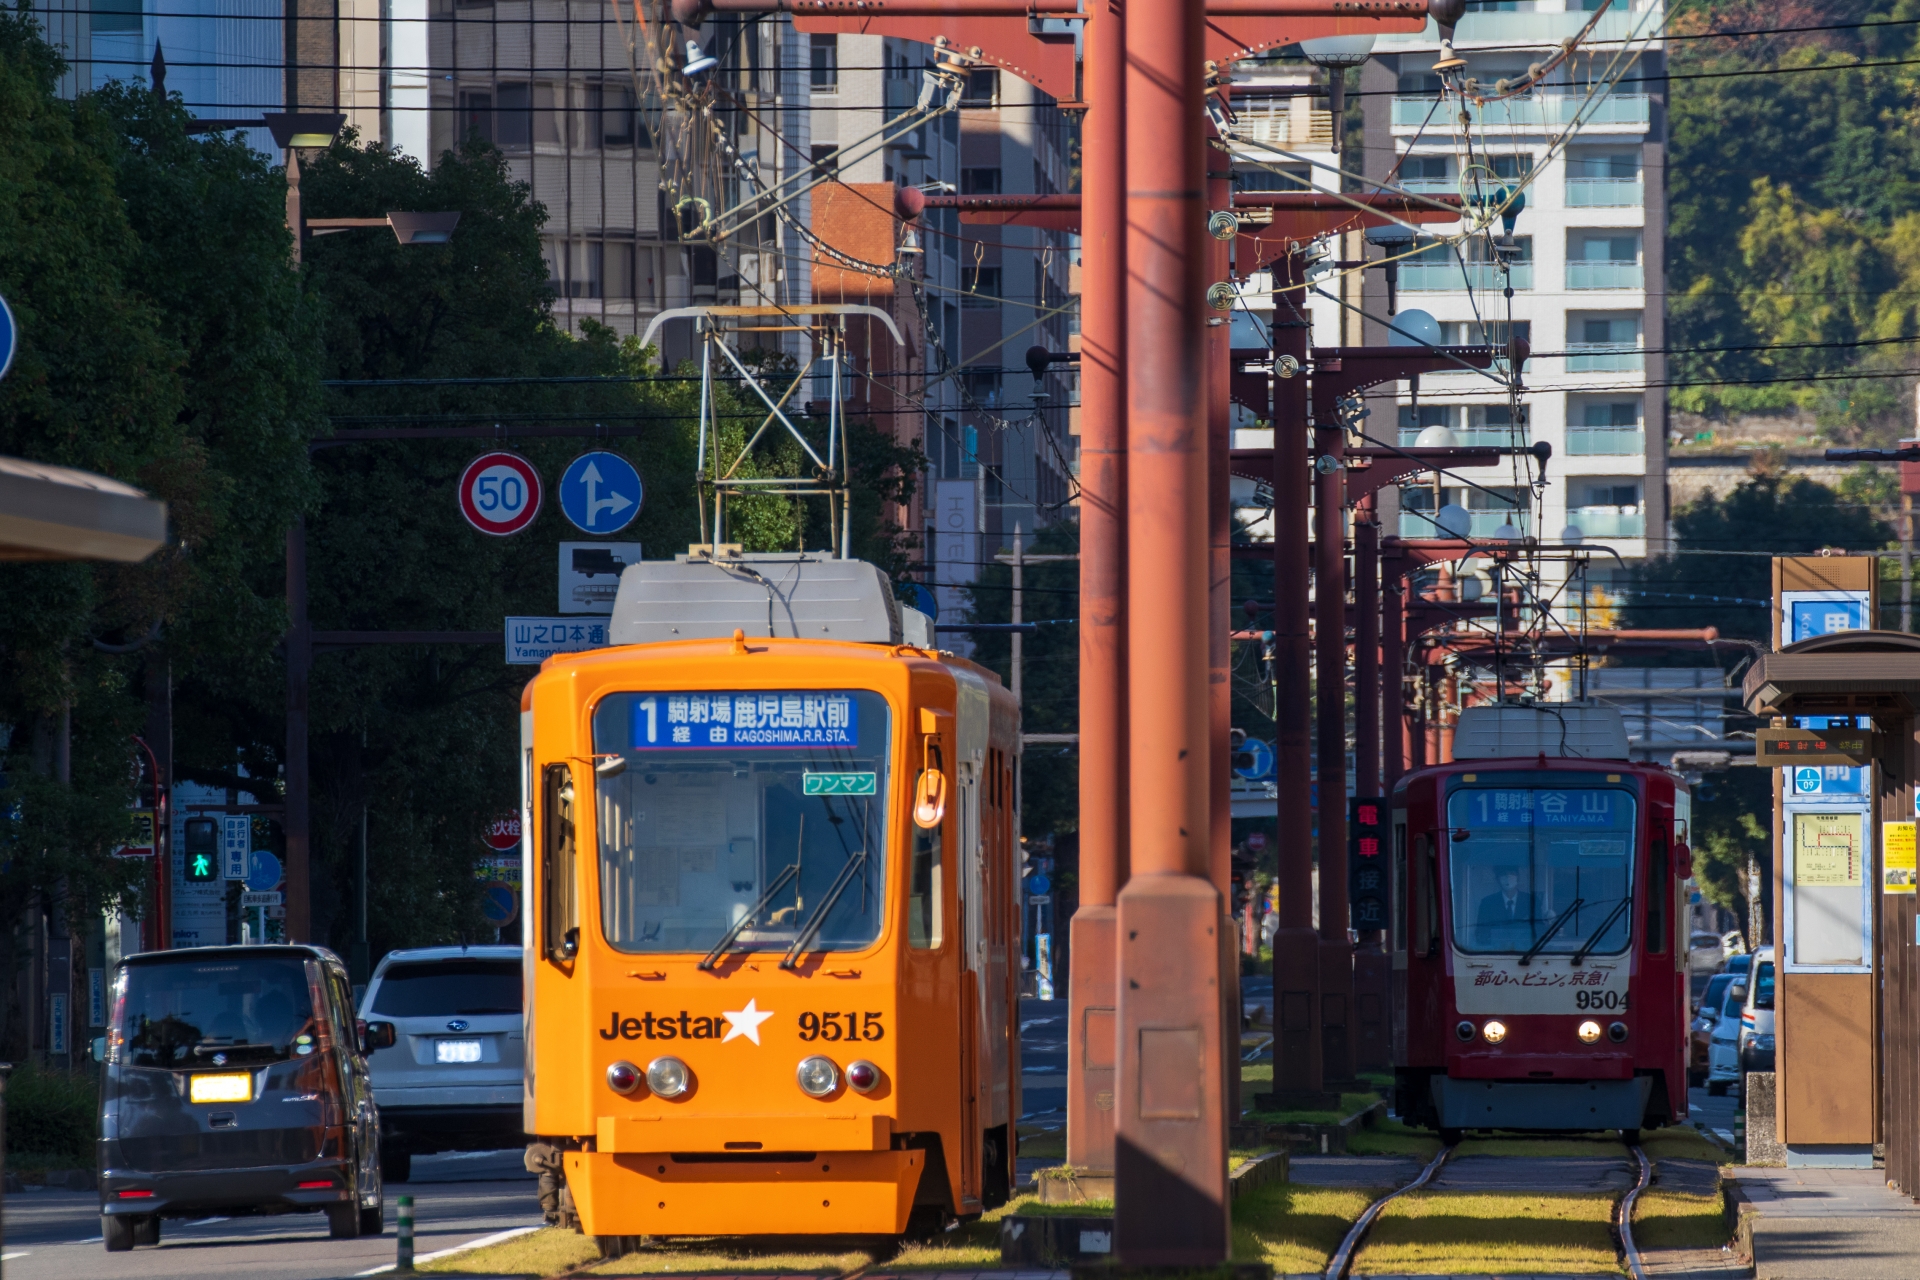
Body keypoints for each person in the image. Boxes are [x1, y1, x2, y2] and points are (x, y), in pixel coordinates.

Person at [1475, 866, 1538, 949]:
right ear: (1498, 879)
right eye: (1503, 874)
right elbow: (1481, 932)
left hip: (1527, 952)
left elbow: (1538, 930)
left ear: (1518, 877)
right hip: (1495, 952)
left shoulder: (1531, 900)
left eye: (1512, 874)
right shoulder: (1487, 903)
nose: (1508, 877)